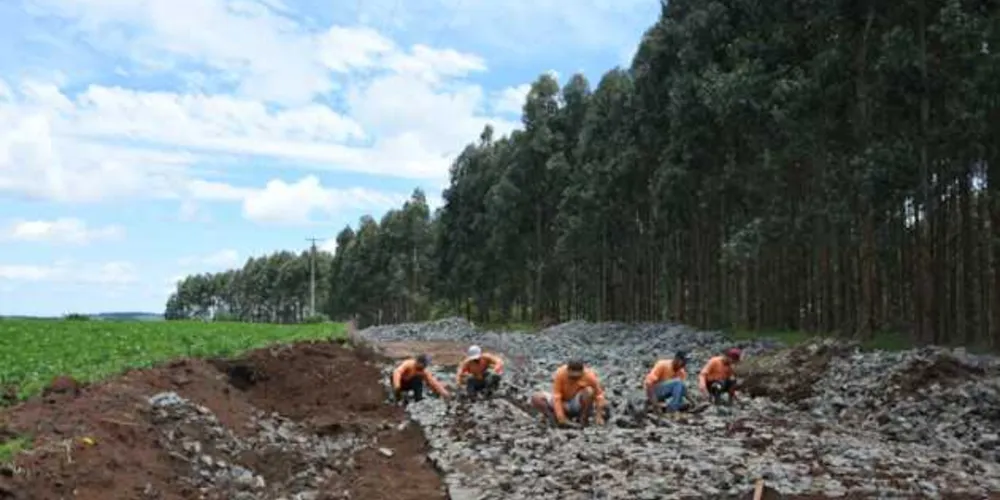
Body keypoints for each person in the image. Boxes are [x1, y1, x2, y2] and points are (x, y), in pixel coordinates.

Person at [529, 359, 607, 428]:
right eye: (572, 377)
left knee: (589, 391)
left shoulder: (589, 376)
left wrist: (599, 416)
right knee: (536, 397)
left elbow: (599, 395)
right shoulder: (560, 373)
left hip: (576, 403)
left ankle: (583, 419)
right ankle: (553, 418)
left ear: (582, 371)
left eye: (577, 378)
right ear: (568, 370)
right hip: (562, 403)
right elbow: (557, 396)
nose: (574, 379)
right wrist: (561, 417)